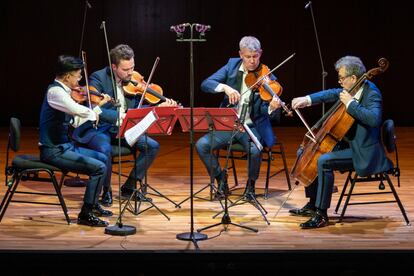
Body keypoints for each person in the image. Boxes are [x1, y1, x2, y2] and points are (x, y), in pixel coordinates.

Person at [289, 55, 392, 229]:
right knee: (305, 151)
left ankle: (321, 214)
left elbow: (374, 119)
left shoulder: (372, 93)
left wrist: (351, 104)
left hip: (363, 152)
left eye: (341, 78)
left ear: (353, 78)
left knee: (323, 161)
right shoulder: (352, 88)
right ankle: (313, 203)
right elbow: (331, 93)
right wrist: (307, 99)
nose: (339, 81)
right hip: (349, 143)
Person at [73, 44, 177, 204]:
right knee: (104, 149)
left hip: (123, 128)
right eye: (126, 69)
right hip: (101, 128)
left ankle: (129, 187)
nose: (130, 73)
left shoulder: (133, 80)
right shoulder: (98, 78)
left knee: (152, 146)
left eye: (132, 67)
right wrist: (121, 116)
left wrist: (157, 107)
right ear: (114, 67)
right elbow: (96, 109)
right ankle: (105, 190)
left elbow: (137, 110)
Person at [195, 36, 282, 199]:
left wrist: (272, 106)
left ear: (260, 53)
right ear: (241, 54)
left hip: (252, 127)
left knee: (255, 151)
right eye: (248, 57)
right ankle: (221, 178)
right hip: (229, 126)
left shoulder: (267, 76)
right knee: (202, 145)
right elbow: (206, 83)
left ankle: (250, 186)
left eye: (255, 56)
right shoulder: (231, 66)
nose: (252, 61)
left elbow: (271, 114)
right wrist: (225, 88)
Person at [39, 55, 113, 227]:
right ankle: (85, 214)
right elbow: (76, 110)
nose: (80, 79)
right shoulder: (55, 92)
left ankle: (93, 204)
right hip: (53, 151)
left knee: (102, 158)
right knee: (99, 168)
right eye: (78, 76)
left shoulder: (63, 93)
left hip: (65, 147)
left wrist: (98, 107)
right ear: (67, 76)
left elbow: (76, 120)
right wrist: (94, 111)